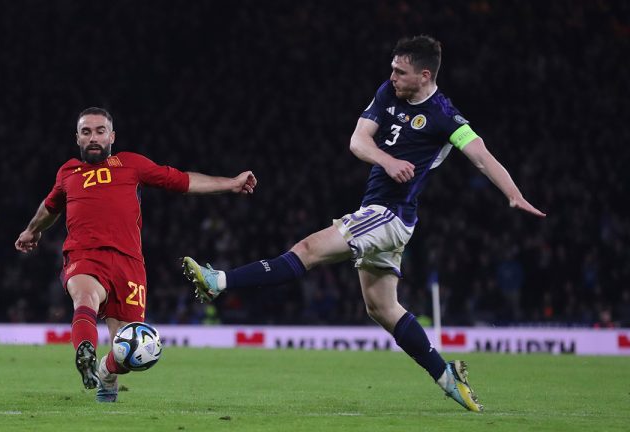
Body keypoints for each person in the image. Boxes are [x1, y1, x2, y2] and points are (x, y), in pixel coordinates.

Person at [182, 35, 546, 413]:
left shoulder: (444, 115)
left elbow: (481, 155)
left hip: (390, 214)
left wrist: (514, 195)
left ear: (424, 75)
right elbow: (358, 141)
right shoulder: (389, 93)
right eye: (391, 68)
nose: (392, 76)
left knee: (307, 251)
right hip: (381, 213)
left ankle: (219, 282)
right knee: (382, 308)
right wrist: (387, 161)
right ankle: (446, 375)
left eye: (400, 71)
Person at [15, 107, 257, 402]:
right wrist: (32, 231)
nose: (93, 137)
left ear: (112, 136)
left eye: (100, 131)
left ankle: (105, 372)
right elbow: (49, 207)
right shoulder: (68, 172)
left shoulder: (131, 164)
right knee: (85, 296)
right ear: (77, 138)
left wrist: (231, 183)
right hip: (85, 254)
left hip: (129, 264)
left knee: (129, 350)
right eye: (86, 132)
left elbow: (182, 181)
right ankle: (85, 353)